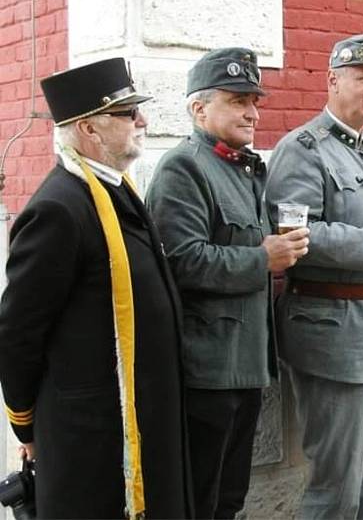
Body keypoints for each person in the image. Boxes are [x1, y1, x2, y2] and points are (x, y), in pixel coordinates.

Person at [0, 58, 191, 518]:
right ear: (88, 128)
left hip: (142, 412)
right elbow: (18, 331)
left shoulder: (115, 189)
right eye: (128, 113)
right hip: (93, 429)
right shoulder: (59, 209)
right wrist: (25, 422)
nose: (142, 121)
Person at [146, 48, 309, 519]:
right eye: (238, 101)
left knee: (230, 497)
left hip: (246, 364)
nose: (253, 112)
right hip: (207, 369)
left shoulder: (244, 168)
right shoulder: (185, 167)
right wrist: (263, 257)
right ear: (199, 108)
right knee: (199, 499)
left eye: (254, 101)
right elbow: (182, 262)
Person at [264, 33, 363, 519]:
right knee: (337, 484)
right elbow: (293, 235)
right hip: (334, 337)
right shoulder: (304, 149)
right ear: (332, 80)